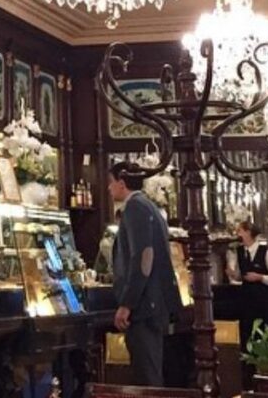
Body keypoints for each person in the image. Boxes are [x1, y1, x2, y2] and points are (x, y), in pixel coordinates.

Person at [108, 161, 183, 387]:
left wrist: (126, 304)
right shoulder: (150, 207)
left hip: (144, 306)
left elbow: (143, 258)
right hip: (154, 303)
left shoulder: (135, 208)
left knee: (147, 376)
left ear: (122, 183)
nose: (109, 188)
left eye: (111, 182)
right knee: (150, 372)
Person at [226, 221, 268, 352]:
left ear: (248, 232)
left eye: (240, 231)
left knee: (263, 333)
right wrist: (233, 274)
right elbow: (241, 276)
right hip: (247, 300)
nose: (238, 234)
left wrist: (260, 277)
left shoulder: (266, 252)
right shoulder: (240, 252)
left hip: (264, 301)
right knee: (248, 332)